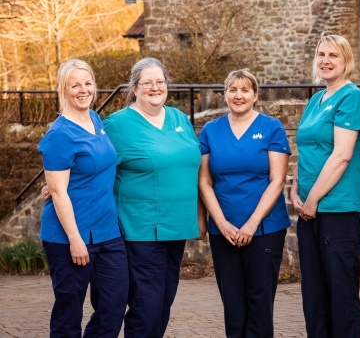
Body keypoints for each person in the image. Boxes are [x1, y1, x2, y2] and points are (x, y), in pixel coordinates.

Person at [103, 57, 205, 338]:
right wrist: (59, 182)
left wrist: (200, 213)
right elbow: (94, 162)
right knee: (146, 304)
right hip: (142, 228)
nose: (155, 87)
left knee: (163, 301)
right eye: (147, 82)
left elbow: (192, 167)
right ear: (134, 88)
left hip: (177, 225)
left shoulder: (179, 118)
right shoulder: (118, 125)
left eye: (160, 81)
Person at [198, 68, 291, 338]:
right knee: (233, 304)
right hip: (223, 230)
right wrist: (222, 223)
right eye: (232, 90)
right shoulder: (210, 131)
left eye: (245, 90)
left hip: (265, 229)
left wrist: (251, 224)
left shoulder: (271, 127)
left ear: (255, 95)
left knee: (260, 302)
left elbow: (277, 180)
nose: (238, 96)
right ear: (224, 94)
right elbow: (204, 182)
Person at [290, 34, 360, 338]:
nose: (325, 60)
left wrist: (312, 200)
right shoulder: (316, 99)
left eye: (333, 55)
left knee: (341, 292)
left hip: (340, 208)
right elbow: (307, 149)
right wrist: (295, 187)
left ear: (346, 61)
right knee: (314, 292)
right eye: (321, 54)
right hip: (309, 208)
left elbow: (341, 156)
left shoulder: (352, 98)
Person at [39, 59, 128, 338]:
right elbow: (58, 191)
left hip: (107, 231)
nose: (83, 90)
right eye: (75, 85)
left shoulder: (95, 119)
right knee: (69, 312)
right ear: (63, 90)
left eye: (87, 83)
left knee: (113, 305)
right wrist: (76, 240)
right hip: (69, 236)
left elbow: (87, 172)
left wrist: (53, 185)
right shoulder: (59, 135)